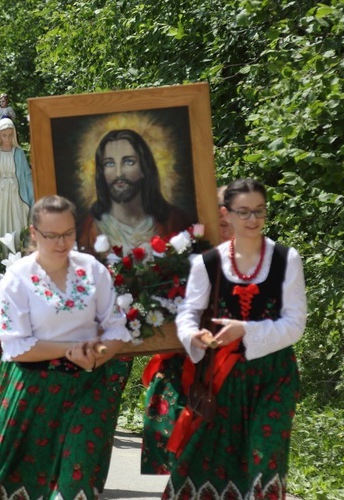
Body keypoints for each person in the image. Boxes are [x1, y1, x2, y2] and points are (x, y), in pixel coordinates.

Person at [0, 195, 132, 499]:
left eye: (68, 233)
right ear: (34, 234)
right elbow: (16, 346)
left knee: (76, 480)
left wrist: (98, 355)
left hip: (87, 384)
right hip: (33, 385)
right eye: (51, 235)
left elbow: (116, 326)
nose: (61, 242)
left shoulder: (92, 269)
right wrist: (71, 350)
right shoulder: (19, 278)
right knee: (22, 482)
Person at [164, 178, 305, 499]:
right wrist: (194, 335)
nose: (253, 220)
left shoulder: (287, 259)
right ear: (227, 213)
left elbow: (295, 324)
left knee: (265, 455)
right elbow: (188, 313)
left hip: (274, 375)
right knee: (218, 462)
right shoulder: (208, 263)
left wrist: (246, 330)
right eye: (244, 212)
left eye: (259, 211)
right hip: (223, 378)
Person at [140, 185, 232, 475]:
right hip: (180, 368)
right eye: (220, 218)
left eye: (231, 219)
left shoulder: (253, 260)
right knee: (181, 463)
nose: (226, 225)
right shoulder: (183, 253)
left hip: (228, 370)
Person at [79, 129, 194, 254]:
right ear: (102, 171)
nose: (118, 173)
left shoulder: (174, 221)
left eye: (129, 162)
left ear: (144, 168)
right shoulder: (89, 229)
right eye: (109, 163)